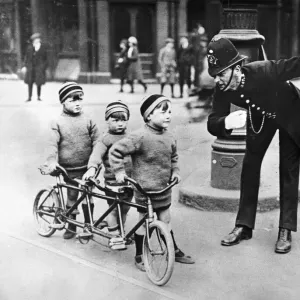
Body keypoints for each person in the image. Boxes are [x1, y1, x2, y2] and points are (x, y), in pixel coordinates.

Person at [206, 37, 300, 254]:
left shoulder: (265, 71)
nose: (217, 80)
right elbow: (213, 121)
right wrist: (226, 122)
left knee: (289, 170)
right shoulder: (222, 88)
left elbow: (296, 64)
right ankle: (244, 226)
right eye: (215, 74)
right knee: (249, 166)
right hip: (262, 118)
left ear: (236, 68)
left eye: (221, 73)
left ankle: (285, 229)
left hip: (291, 114)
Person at [109, 94, 195, 271]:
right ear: (148, 116)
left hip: (163, 188)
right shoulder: (139, 137)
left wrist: (176, 172)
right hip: (144, 189)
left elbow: (174, 158)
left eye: (170, 112)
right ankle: (140, 254)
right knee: (143, 221)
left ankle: (172, 249)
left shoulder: (170, 137)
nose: (168, 115)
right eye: (163, 112)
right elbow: (115, 151)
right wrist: (119, 172)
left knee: (165, 218)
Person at [44, 82, 101, 239]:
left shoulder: (89, 121)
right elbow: (52, 144)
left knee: (88, 195)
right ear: (63, 102)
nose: (77, 103)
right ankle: (71, 226)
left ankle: (88, 227)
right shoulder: (57, 122)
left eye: (79, 100)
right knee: (72, 196)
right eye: (72, 100)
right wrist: (51, 160)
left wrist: (95, 163)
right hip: (70, 169)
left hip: (88, 167)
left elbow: (98, 142)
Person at [89, 101, 133, 246]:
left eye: (123, 120)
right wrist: (92, 168)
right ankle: (114, 235)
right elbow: (96, 155)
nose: (120, 124)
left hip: (129, 181)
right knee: (114, 209)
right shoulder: (105, 139)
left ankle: (121, 231)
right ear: (107, 120)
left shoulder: (131, 137)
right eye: (115, 120)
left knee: (125, 208)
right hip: (113, 181)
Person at [22, 33, 48, 102]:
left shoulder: (42, 48)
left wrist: (43, 67)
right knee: (30, 83)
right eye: (36, 39)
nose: (37, 41)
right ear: (33, 40)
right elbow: (26, 58)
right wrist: (25, 66)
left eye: (38, 39)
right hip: (31, 68)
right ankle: (29, 97)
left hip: (39, 68)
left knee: (38, 82)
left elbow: (45, 58)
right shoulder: (29, 48)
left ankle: (38, 96)